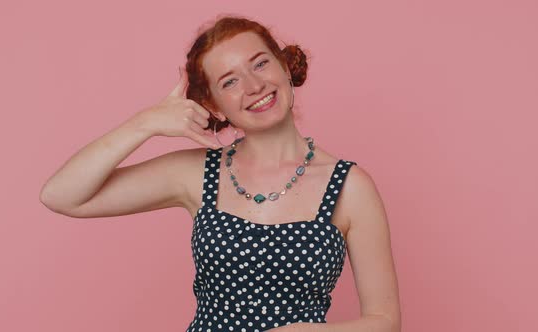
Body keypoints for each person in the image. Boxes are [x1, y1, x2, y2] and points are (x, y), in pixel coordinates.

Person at [40, 15, 401, 332]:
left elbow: (385, 321)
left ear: (285, 68)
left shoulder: (350, 187)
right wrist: (144, 124)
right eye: (229, 82)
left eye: (260, 64)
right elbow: (62, 195)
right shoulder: (196, 173)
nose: (253, 86)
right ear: (214, 105)